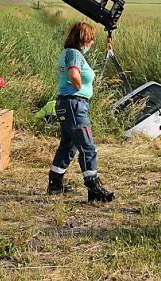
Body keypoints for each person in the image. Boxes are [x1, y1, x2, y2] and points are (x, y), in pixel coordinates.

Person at [47, 21, 115, 203]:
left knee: (68, 146)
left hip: (66, 104)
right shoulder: (74, 54)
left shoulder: (68, 53)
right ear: (84, 39)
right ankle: (94, 187)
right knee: (87, 146)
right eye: (91, 40)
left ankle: (55, 183)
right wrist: (78, 87)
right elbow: (74, 74)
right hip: (74, 104)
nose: (92, 44)